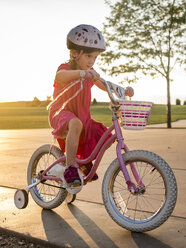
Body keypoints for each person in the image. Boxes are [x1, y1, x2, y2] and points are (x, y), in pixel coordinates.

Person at [47, 24, 134, 192]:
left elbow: (103, 84)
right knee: (76, 124)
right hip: (61, 114)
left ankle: (83, 163)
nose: (91, 61)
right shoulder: (66, 69)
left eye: (95, 57)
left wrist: (121, 89)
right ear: (74, 53)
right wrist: (82, 74)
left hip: (81, 116)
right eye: (88, 56)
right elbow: (60, 76)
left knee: (104, 135)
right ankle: (71, 168)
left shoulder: (91, 72)